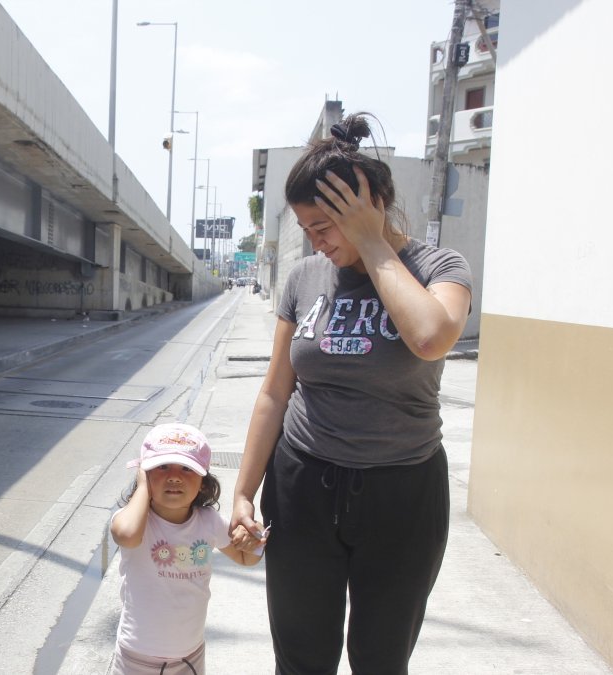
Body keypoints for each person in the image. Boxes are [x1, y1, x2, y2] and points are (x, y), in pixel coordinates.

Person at [228, 113, 473, 675]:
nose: (317, 242)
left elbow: (431, 337)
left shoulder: (439, 267)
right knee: (301, 657)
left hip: (403, 493)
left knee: (381, 660)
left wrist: (370, 241)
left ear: (373, 204)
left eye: (326, 226)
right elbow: (274, 394)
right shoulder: (305, 279)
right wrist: (245, 492)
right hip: (302, 486)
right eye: (307, 228)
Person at [109, 422, 266, 675]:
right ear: (145, 474)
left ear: (203, 483)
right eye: (161, 467)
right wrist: (141, 486)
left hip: (190, 655)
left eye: (186, 468)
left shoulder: (208, 522)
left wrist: (252, 534)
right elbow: (126, 536)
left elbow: (246, 558)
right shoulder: (135, 521)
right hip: (138, 657)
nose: (174, 476)